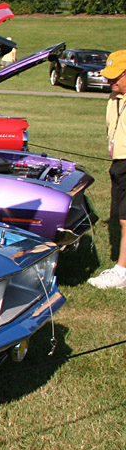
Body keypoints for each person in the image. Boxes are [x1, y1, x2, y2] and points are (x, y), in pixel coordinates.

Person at [89, 50, 126, 288]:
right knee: (120, 217)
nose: (110, 82)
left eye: (116, 77)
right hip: (120, 162)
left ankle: (121, 272)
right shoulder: (114, 98)